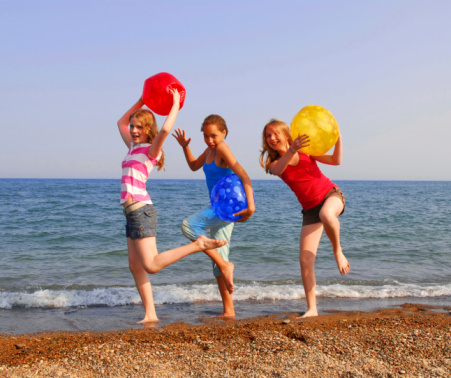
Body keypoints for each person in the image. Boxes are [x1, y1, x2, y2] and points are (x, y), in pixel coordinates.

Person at [117, 90, 228, 323]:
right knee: (135, 266)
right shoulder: (131, 147)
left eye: (139, 127)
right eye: (133, 126)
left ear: (147, 130)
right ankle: (150, 314)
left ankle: (198, 244)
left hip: (141, 210)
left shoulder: (150, 150)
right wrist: (143, 100)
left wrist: (175, 104)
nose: (134, 130)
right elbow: (120, 122)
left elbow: (165, 130)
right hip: (130, 213)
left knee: (151, 265)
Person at [259, 119, 350, 318]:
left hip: (331, 195)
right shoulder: (274, 163)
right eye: (268, 135)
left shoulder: (307, 151)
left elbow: (336, 161)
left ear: (286, 133)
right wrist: (291, 149)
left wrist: (338, 138)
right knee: (305, 260)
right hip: (310, 210)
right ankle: (312, 309)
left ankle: (338, 251)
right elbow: (278, 170)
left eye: (275, 133)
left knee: (327, 214)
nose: (272, 138)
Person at [172, 114, 255, 317]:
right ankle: (229, 311)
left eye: (214, 135)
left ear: (224, 133)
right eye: (206, 136)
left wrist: (251, 207)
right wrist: (185, 146)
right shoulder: (209, 150)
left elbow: (243, 175)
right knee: (218, 258)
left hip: (227, 208)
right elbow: (193, 166)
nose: (210, 140)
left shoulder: (222, 148)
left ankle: (226, 267)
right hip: (218, 207)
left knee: (188, 226)